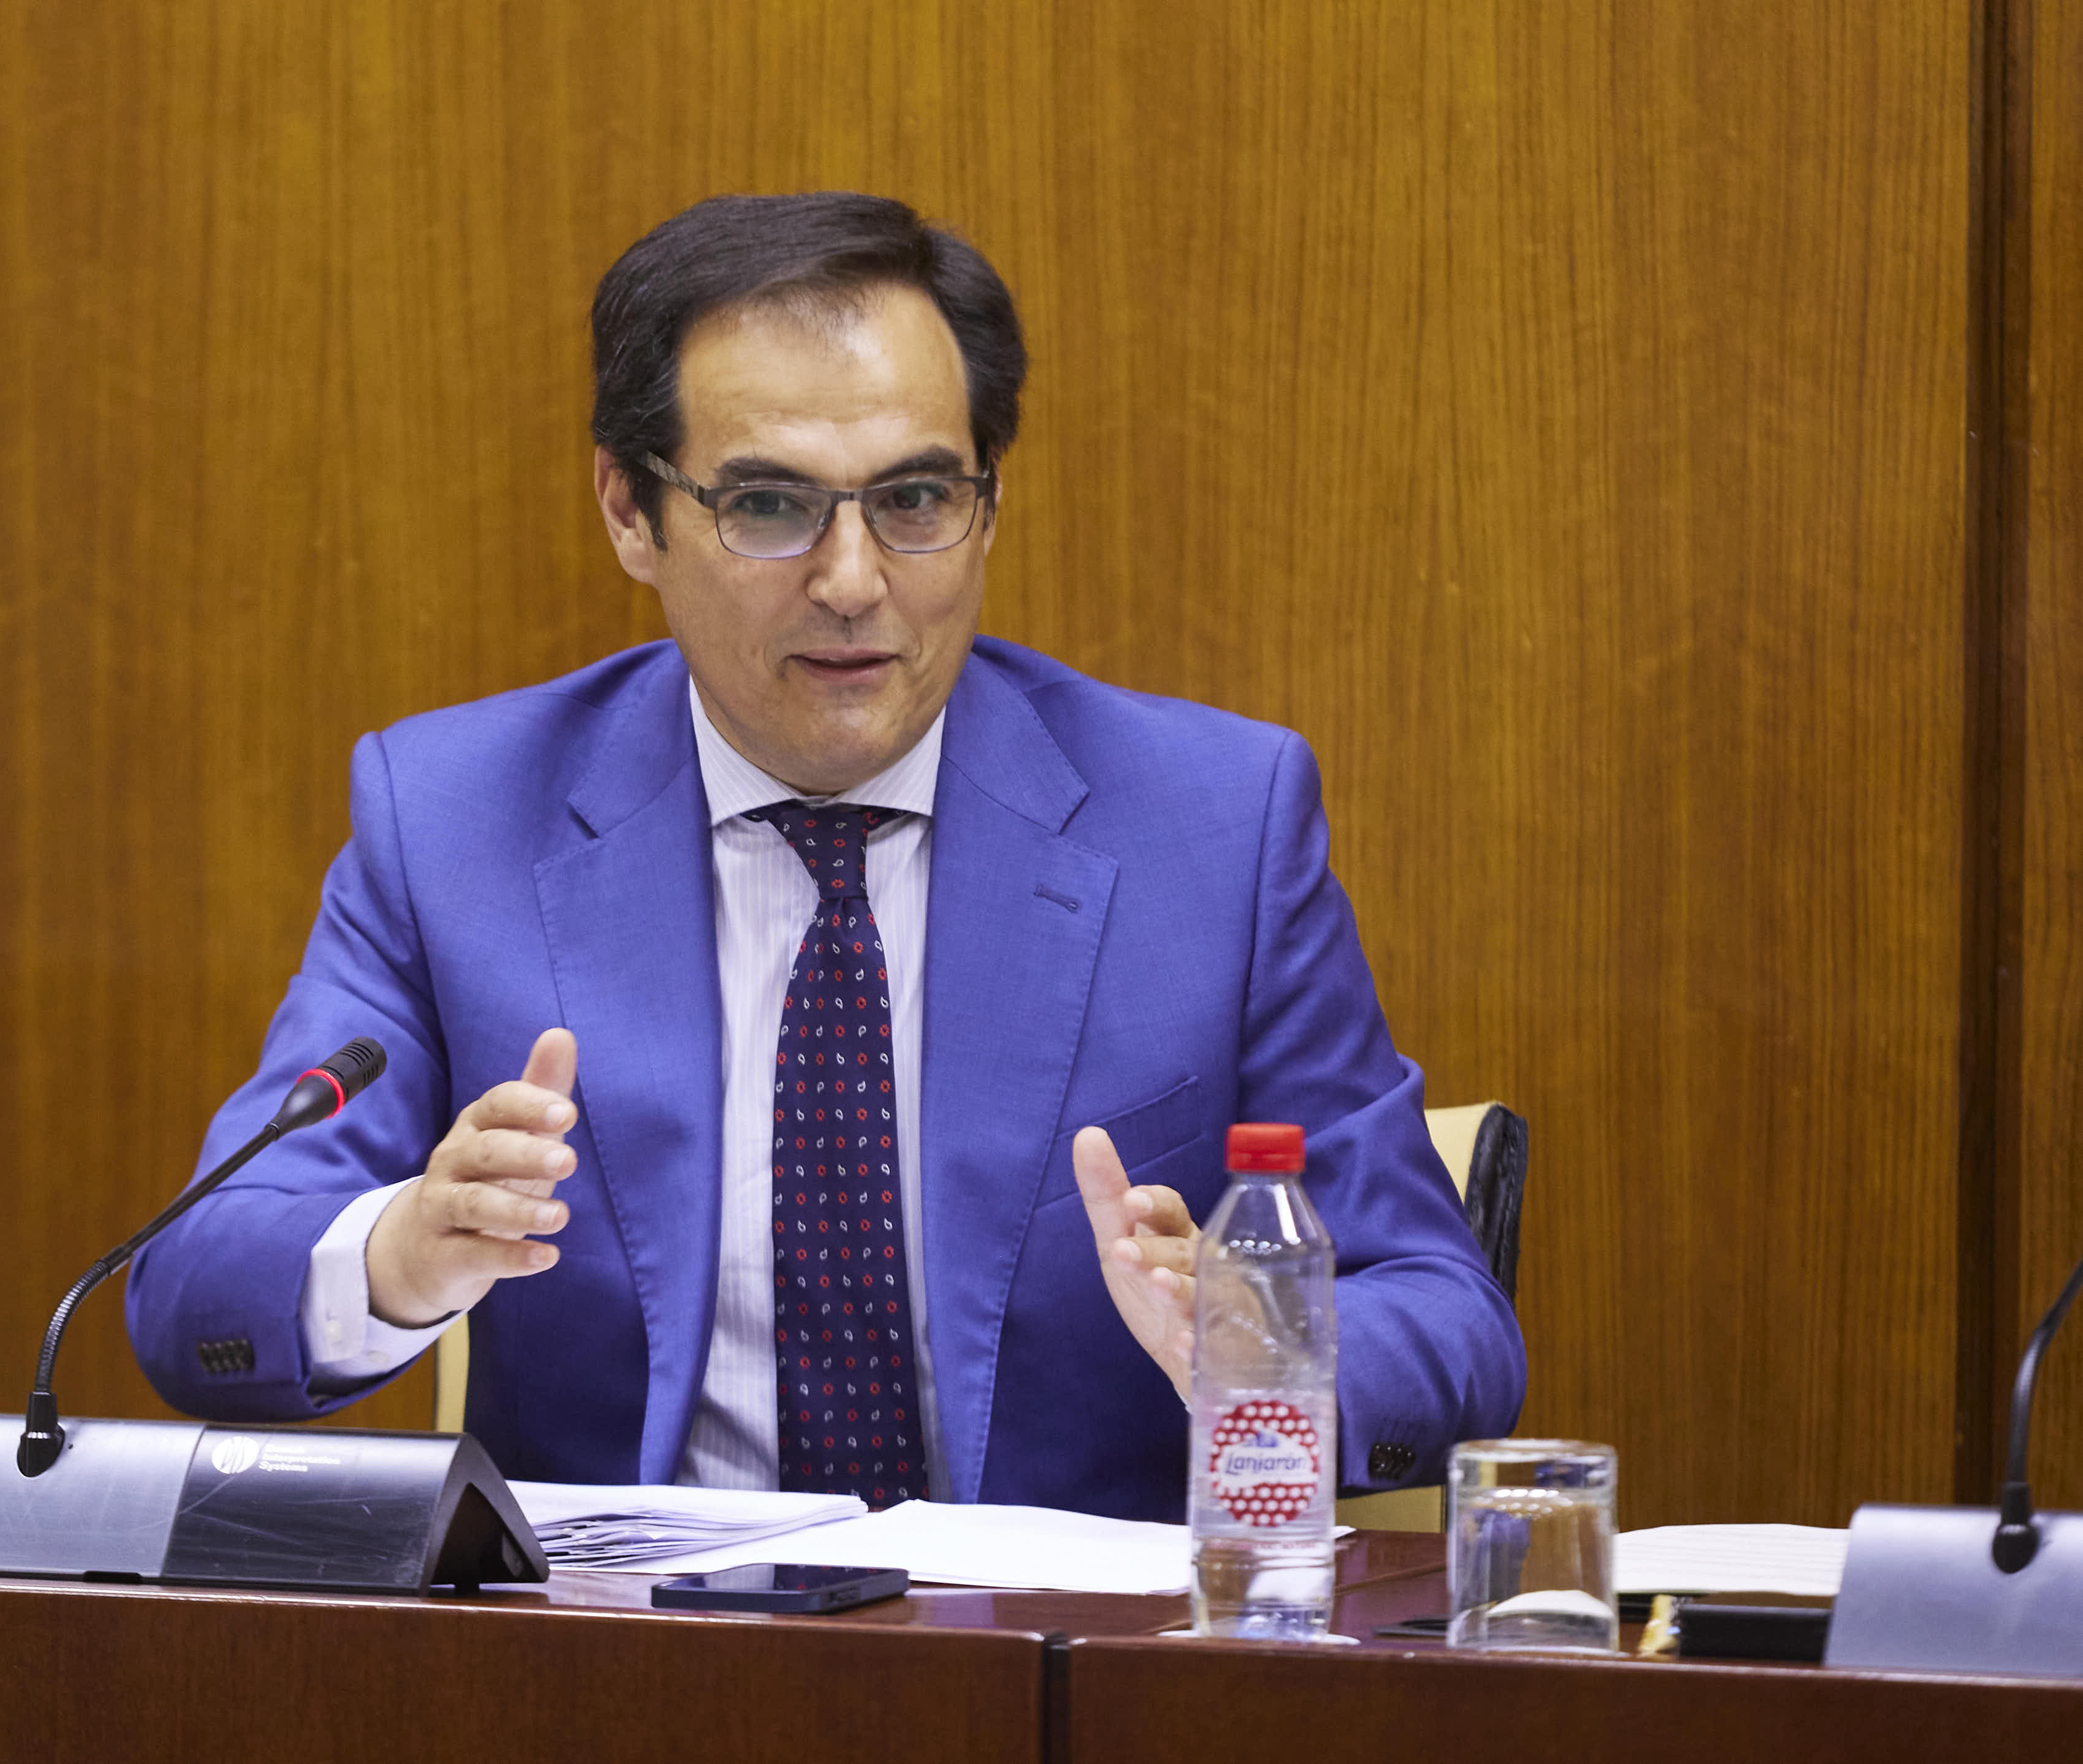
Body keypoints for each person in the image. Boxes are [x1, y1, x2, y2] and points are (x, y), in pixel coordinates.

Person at [124, 193, 1523, 1521]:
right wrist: (396, 1255)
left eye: (915, 498)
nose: (854, 580)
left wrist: (1255, 1341)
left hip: (1061, 1650)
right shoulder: (456, 821)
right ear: (629, 510)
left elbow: (1446, 1317)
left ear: (988, 499)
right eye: (770, 506)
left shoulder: (1212, 828)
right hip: (633, 1651)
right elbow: (195, 1292)